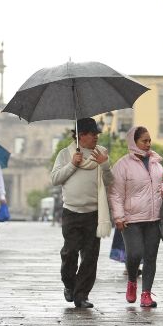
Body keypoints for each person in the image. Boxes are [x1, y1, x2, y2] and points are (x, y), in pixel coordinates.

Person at [51, 118, 114, 309]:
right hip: (72, 212)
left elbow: (110, 181)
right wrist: (72, 165)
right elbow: (55, 179)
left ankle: (81, 295)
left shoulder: (101, 153)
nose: (96, 137)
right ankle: (69, 285)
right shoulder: (66, 154)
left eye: (96, 134)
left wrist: (105, 165)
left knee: (90, 257)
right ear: (81, 136)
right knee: (69, 253)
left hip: (94, 213)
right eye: (92, 134)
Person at [109, 126, 163, 308]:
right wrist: (118, 216)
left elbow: (157, 187)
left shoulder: (156, 163)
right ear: (134, 142)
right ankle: (132, 280)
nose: (148, 144)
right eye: (144, 141)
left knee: (150, 256)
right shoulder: (122, 165)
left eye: (149, 140)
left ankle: (146, 294)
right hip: (131, 219)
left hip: (154, 218)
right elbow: (115, 193)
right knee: (134, 253)